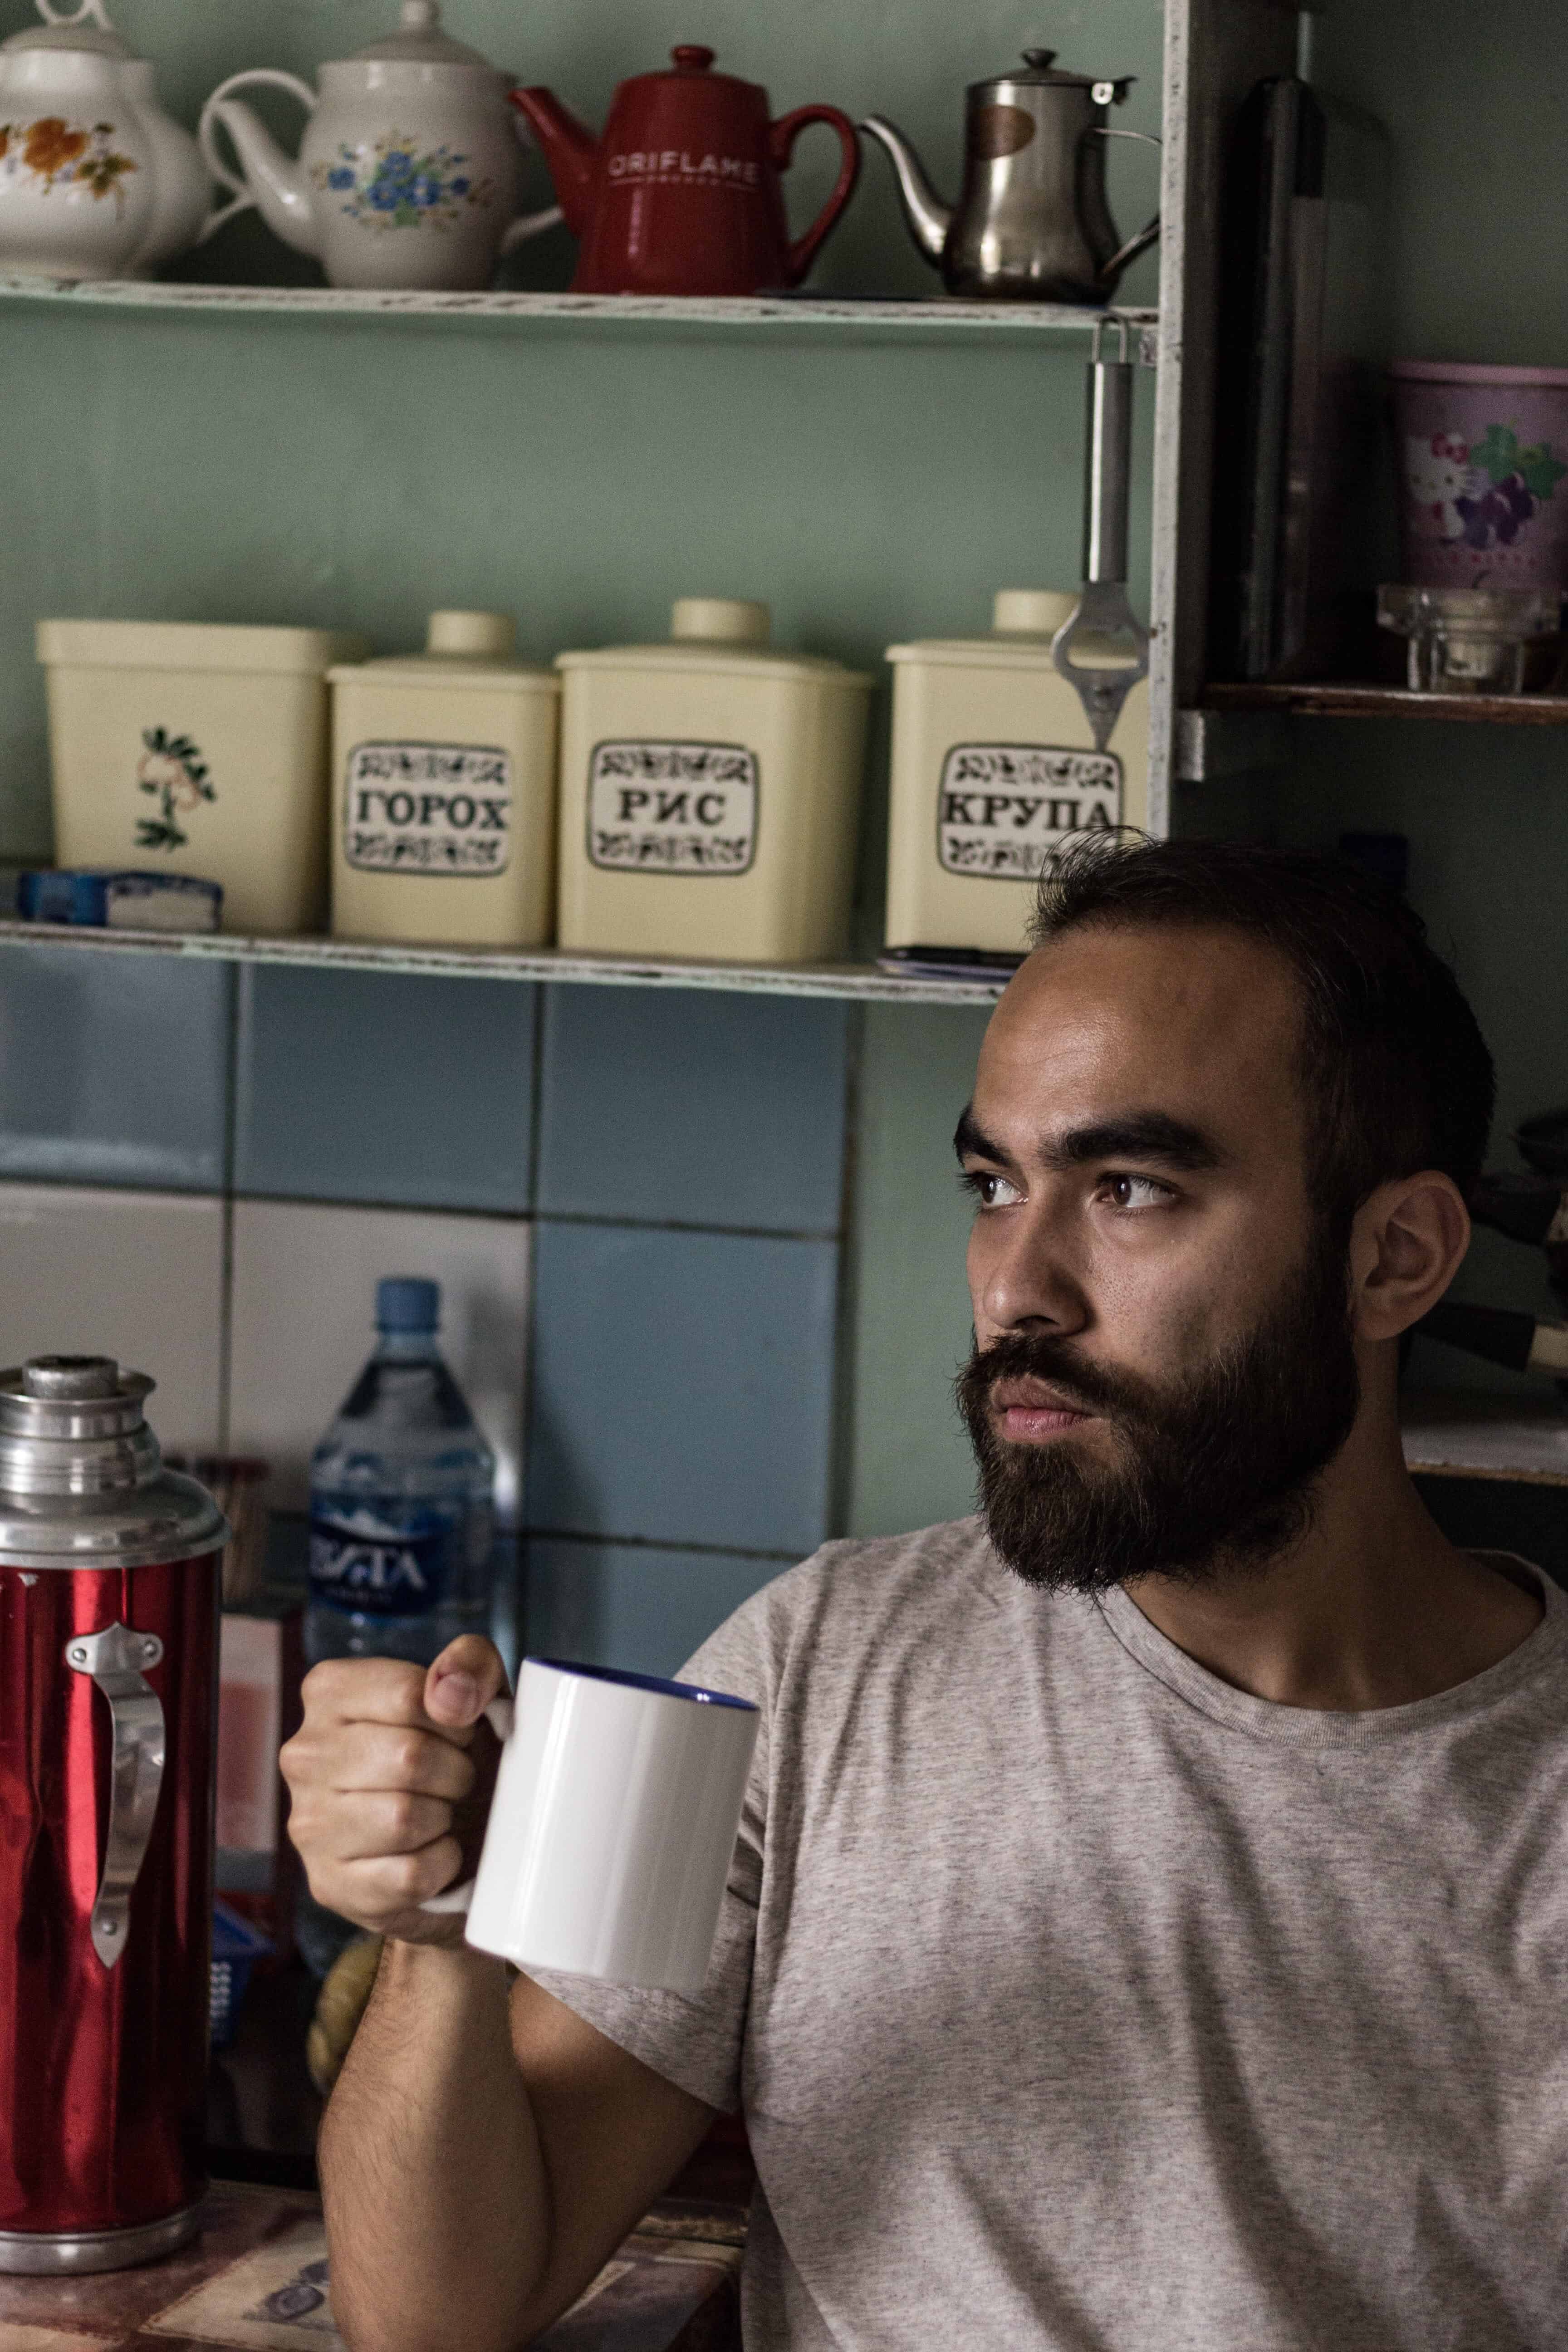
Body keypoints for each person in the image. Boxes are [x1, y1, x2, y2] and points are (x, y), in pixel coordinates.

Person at [282, 837, 1568, 2352]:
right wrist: (440, 1934)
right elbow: (433, 2317)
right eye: (994, 1185)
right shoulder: (818, 1670)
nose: (1015, 1286)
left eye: (1131, 1189)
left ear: (1395, 1257)